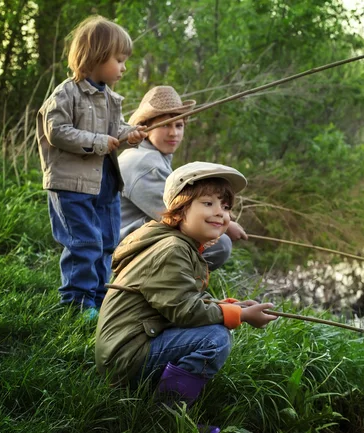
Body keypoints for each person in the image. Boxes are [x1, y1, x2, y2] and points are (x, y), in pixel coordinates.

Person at [95, 162, 277, 422]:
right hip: (125, 358)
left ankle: (162, 392)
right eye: (208, 203)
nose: (221, 214)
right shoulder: (173, 249)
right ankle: (167, 414)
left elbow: (179, 299)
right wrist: (241, 316)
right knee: (214, 338)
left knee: (214, 330)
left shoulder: (179, 244)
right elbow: (185, 311)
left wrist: (230, 305)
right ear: (180, 209)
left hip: (130, 347)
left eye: (225, 207)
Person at [36, 16, 147, 317]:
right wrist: (99, 141)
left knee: (107, 242)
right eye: (119, 60)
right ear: (95, 57)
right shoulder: (65, 94)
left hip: (105, 183)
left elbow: (117, 128)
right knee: (84, 242)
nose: (124, 67)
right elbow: (56, 132)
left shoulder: (111, 98)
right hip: (72, 185)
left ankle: (99, 298)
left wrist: (130, 134)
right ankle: (76, 303)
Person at [119, 86, 247, 271]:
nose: (174, 133)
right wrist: (226, 226)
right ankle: (169, 284)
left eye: (179, 125)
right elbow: (178, 215)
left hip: (134, 238)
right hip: (122, 247)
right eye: (165, 125)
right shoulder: (146, 163)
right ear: (146, 127)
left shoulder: (149, 155)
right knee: (220, 244)